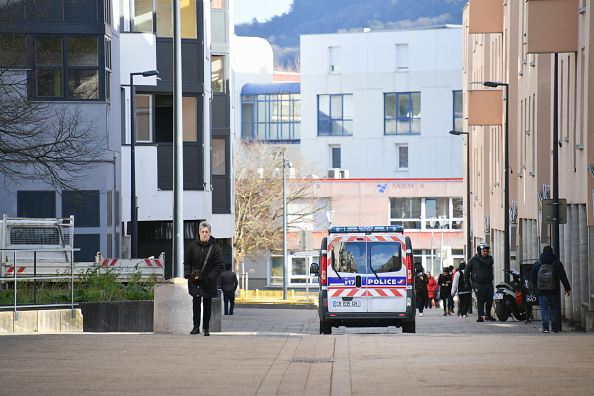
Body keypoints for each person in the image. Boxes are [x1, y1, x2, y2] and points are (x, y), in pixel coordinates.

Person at [184, 221, 224, 336]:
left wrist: (210, 277)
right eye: (202, 232)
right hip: (195, 280)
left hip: (208, 281)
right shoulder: (193, 246)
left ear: (210, 233)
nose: (204, 234)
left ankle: (206, 328)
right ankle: (196, 327)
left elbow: (219, 265)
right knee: (196, 303)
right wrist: (188, 275)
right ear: (199, 233)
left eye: (206, 232)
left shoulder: (215, 247)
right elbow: (187, 262)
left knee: (207, 304)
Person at [530, 246, 571, 333]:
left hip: (542, 291)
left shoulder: (537, 263)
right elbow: (563, 276)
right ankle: (554, 327)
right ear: (552, 252)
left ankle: (545, 328)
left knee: (544, 308)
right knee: (554, 308)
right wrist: (567, 288)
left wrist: (538, 286)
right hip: (554, 291)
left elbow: (532, 276)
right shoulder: (557, 263)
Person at [465, 243, 496, 322]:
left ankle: (488, 315)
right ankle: (480, 315)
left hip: (488, 283)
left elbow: (488, 263)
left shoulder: (489, 259)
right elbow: (467, 270)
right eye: (483, 251)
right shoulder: (473, 260)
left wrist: (479, 257)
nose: (485, 253)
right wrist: (467, 282)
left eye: (486, 251)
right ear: (479, 251)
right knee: (480, 299)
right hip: (478, 283)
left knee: (489, 299)